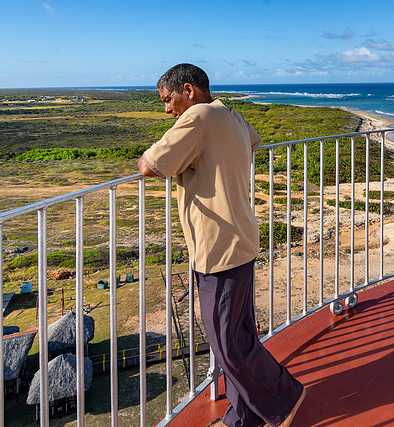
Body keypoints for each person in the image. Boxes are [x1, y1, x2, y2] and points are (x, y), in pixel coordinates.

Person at [138, 63, 305, 427]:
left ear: (189, 89)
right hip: (241, 237)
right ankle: (243, 417)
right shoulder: (229, 113)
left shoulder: (197, 117)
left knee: (227, 342)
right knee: (238, 335)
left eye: (168, 100)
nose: (167, 109)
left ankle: (286, 397)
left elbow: (149, 166)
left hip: (218, 248)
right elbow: (255, 139)